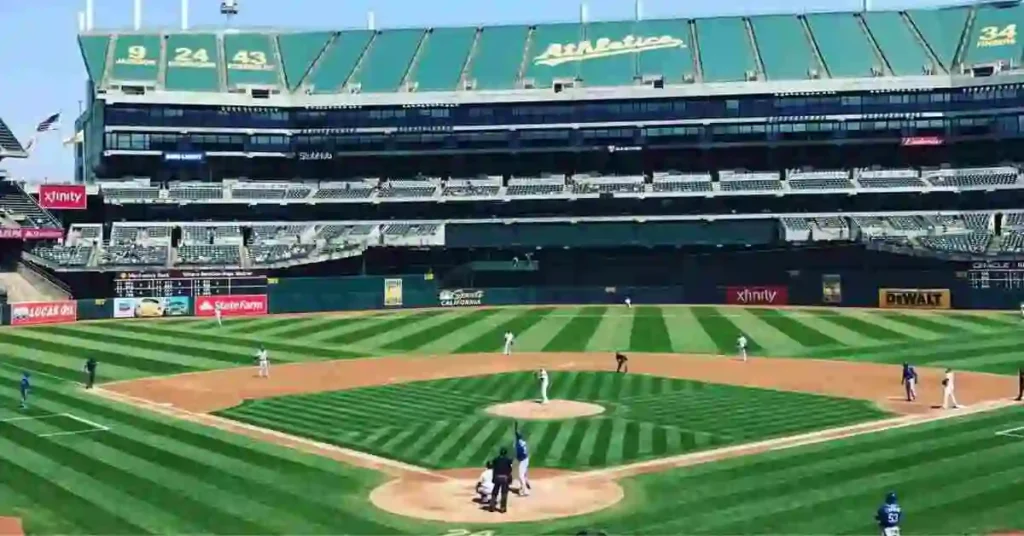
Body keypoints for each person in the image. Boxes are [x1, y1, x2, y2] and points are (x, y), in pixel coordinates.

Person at [488, 447, 513, 513]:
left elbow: (494, 469)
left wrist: (493, 478)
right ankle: (502, 508)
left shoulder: (496, 459)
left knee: (495, 492)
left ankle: (492, 506)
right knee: (504, 493)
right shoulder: (508, 460)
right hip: (504, 478)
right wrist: (510, 479)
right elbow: (510, 470)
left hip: (497, 477)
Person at [514, 421, 531, 496]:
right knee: (524, 474)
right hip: (525, 459)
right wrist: (516, 426)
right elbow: (516, 433)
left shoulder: (519, 445)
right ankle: (526, 483)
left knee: (520, 475)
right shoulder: (522, 442)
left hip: (523, 460)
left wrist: (518, 459)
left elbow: (521, 454)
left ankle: (525, 491)